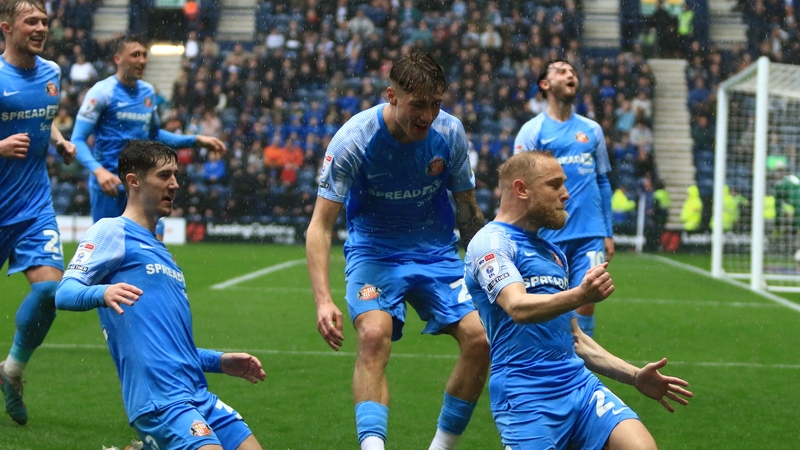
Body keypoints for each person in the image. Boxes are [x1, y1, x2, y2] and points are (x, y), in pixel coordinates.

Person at [306, 52, 489, 450]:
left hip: (437, 253)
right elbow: (320, 226)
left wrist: (492, 274)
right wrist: (323, 300)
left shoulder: (450, 132)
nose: (428, 116)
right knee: (373, 336)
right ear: (392, 96)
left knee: (481, 338)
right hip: (374, 253)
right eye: (418, 104)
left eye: (436, 104)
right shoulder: (354, 139)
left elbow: (468, 209)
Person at [465, 150, 693, 449]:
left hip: (578, 385)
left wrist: (635, 376)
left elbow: (575, 339)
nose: (566, 194)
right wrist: (580, 295)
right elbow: (517, 307)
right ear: (521, 189)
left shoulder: (553, 253)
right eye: (554, 185)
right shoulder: (491, 243)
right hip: (526, 394)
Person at [55, 140, 266, 449]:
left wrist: (220, 361)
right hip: (160, 400)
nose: (175, 184)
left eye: (176, 175)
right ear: (134, 181)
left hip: (197, 394)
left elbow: (170, 349)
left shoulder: (164, 253)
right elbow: (64, 292)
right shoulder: (112, 231)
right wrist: (103, 292)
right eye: (164, 175)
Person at [0, 0, 77, 425]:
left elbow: (42, 118)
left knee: (51, 291)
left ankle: (12, 370)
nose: (41, 27)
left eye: (44, 21)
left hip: (33, 206)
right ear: (6, 27)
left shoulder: (52, 73)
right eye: (31, 21)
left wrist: (59, 141)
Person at [71, 34, 226, 223]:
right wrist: (99, 171)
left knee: (153, 239)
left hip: (142, 187)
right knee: (110, 242)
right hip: (110, 185)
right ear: (118, 59)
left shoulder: (148, 92)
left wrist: (195, 140)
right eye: (135, 55)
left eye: (144, 55)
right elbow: (77, 140)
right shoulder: (102, 92)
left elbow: (154, 135)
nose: (142, 60)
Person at [513, 59, 613, 338]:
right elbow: (519, 186)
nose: (570, 74)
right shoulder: (533, 131)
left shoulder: (592, 130)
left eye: (572, 71)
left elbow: (602, 180)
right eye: (561, 71)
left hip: (589, 233)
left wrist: (608, 232)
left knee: (587, 300)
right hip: (548, 234)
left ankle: (581, 361)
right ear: (545, 84)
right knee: (550, 304)